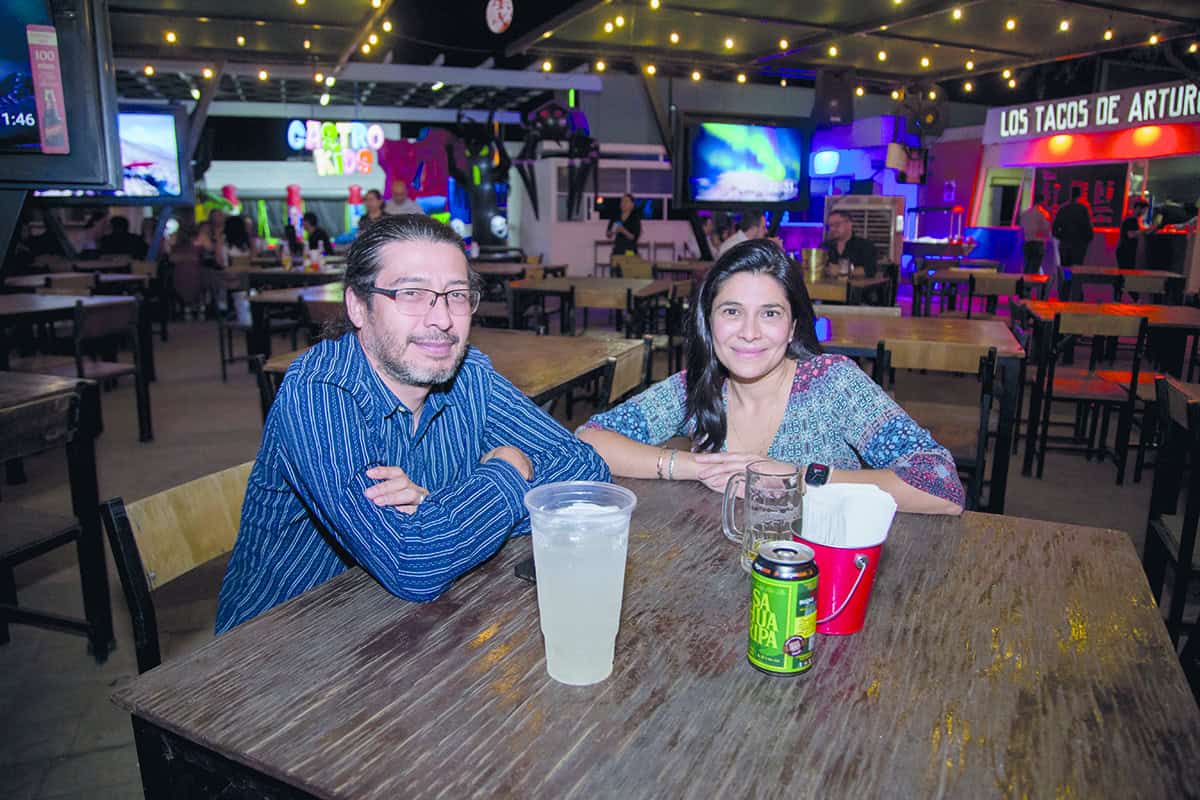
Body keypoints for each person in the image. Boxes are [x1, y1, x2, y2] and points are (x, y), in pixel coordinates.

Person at [215, 214, 610, 632]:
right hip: (274, 643)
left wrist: (438, 512)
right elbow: (414, 563)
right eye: (411, 293)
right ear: (358, 306)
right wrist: (507, 471)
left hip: (396, 626)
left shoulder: (468, 374)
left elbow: (586, 469)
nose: (442, 319)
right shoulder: (320, 393)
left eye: (456, 295)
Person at [577, 239, 964, 515]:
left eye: (770, 313)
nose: (749, 332)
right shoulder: (694, 386)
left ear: (792, 327)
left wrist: (798, 478)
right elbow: (589, 440)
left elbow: (941, 485)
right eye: (731, 311)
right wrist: (694, 466)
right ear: (708, 323)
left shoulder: (833, 383)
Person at [821, 210, 878, 277]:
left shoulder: (865, 245)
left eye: (837, 224)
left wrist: (842, 270)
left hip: (855, 284)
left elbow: (870, 270)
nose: (832, 229)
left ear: (849, 224)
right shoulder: (824, 246)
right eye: (830, 226)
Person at [1052, 187, 1094, 269]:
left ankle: (1067, 277)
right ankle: (1073, 278)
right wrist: (1085, 242)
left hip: (1065, 245)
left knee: (1065, 269)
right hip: (1079, 246)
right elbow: (1089, 229)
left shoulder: (1063, 209)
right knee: (1076, 269)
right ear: (1079, 195)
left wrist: (1062, 237)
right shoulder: (1083, 209)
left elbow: (1054, 229)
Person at [1018, 193, 1051, 275]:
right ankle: (1032, 282)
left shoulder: (1025, 214)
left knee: (1027, 266)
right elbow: (1046, 229)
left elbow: (1022, 228)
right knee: (1035, 268)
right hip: (1038, 243)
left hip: (1027, 243)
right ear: (1042, 201)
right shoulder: (1043, 213)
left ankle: (1025, 282)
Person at [1116, 198, 1151, 269]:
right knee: (1126, 272)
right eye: (1144, 210)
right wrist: (1145, 230)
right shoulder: (1130, 220)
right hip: (1126, 251)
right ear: (1138, 208)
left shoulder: (1137, 220)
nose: (1144, 212)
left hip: (1129, 251)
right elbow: (1130, 235)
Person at [607, 193, 642, 258]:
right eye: (622, 201)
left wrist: (623, 231)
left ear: (632, 204)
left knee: (629, 262)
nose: (623, 203)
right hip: (617, 250)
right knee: (615, 262)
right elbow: (608, 234)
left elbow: (634, 238)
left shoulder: (635, 218)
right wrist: (612, 232)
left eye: (626, 201)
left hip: (630, 250)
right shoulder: (616, 216)